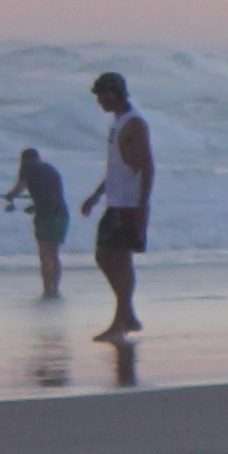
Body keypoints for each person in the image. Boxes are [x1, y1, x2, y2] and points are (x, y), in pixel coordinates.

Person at [84, 69, 156, 340]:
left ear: (113, 95)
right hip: (116, 200)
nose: (99, 102)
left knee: (115, 258)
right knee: (107, 257)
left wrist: (143, 205)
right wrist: (96, 195)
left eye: (101, 96)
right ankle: (128, 316)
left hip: (128, 203)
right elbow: (116, 168)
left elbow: (147, 165)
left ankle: (121, 320)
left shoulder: (135, 123)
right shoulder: (118, 122)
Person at [1, 145, 70, 298]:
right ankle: (55, 288)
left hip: (46, 215)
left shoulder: (27, 167)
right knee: (54, 254)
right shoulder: (50, 169)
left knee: (44, 253)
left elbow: (19, 188)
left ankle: (47, 289)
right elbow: (52, 196)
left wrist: (10, 196)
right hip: (61, 214)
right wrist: (34, 207)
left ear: (24, 160)